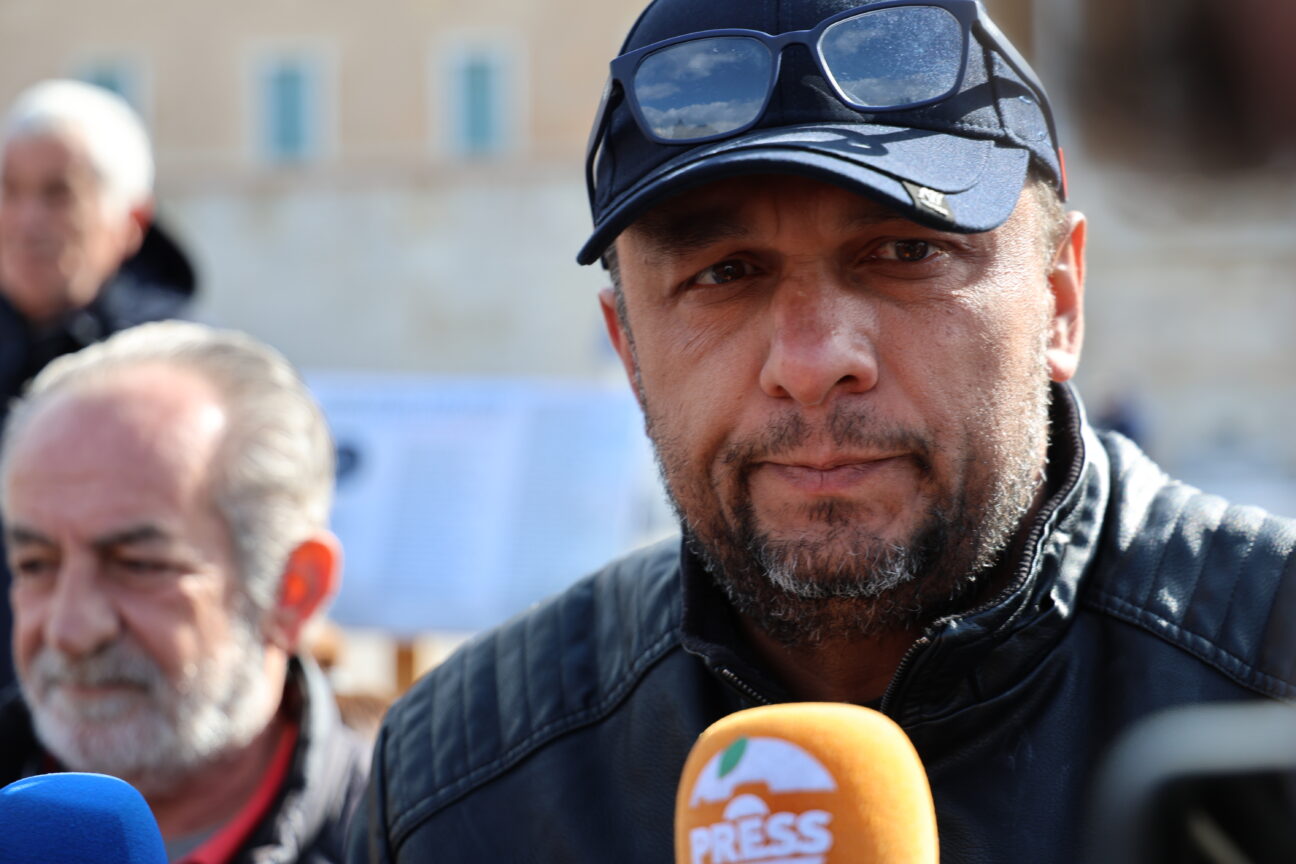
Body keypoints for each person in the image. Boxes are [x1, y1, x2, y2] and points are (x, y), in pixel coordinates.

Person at [349, 1, 1296, 861]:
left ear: (1060, 299)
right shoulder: (455, 788)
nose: (811, 361)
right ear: (629, 351)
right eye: (724, 274)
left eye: (905, 250)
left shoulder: (1273, 677)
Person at [0, 321, 368, 863]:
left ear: (293, 590)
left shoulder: (419, 840)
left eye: (138, 566)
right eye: (35, 565)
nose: (70, 630)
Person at [0, 78, 196, 689]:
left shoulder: (187, 382)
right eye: (8, 191)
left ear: (131, 220)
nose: (27, 220)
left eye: (59, 194)